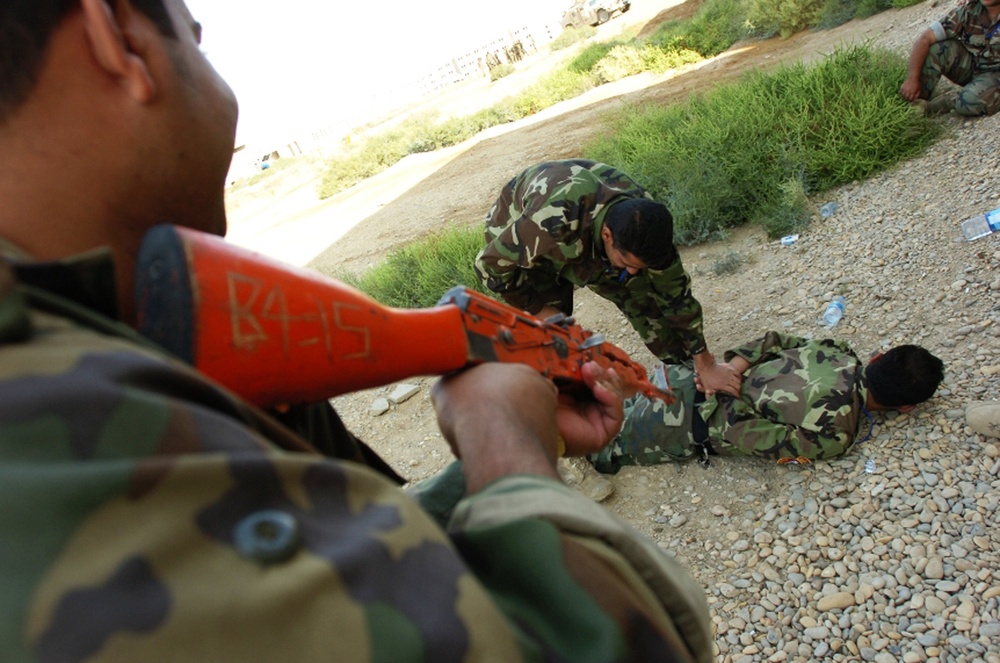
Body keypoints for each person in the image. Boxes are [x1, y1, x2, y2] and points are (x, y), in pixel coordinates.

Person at [0, 1, 715, 660]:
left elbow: (340, 556)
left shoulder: (92, 356)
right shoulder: (49, 427)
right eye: (196, 37)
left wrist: (508, 441)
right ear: (117, 34)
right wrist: (508, 449)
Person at [474, 159, 742, 397]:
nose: (633, 271)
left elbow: (675, 295)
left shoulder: (646, 226)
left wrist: (704, 362)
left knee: (639, 292)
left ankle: (682, 366)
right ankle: (552, 395)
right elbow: (489, 267)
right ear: (608, 237)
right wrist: (538, 308)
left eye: (638, 265)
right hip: (522, 226)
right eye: (627, 262)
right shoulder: (548, 225)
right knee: (554, 327)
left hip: (587, 229)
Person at [589, 332, 945, 473]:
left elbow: (772, 340)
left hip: (679, 377)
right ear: (905, 406)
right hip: (680, 423)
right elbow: (751, 437)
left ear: (878, 356)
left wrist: (728, 370)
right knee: (593, 442)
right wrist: (720, 391)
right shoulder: (835, 436)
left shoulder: (837, 352)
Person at [899, 0, 1000, 116]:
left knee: (968, 102)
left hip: (996, 75)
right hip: (974, 67)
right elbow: (924, 39)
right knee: (937, 49)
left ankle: (952, 101)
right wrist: (912, 79)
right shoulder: (967, 12)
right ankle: (915, 107)